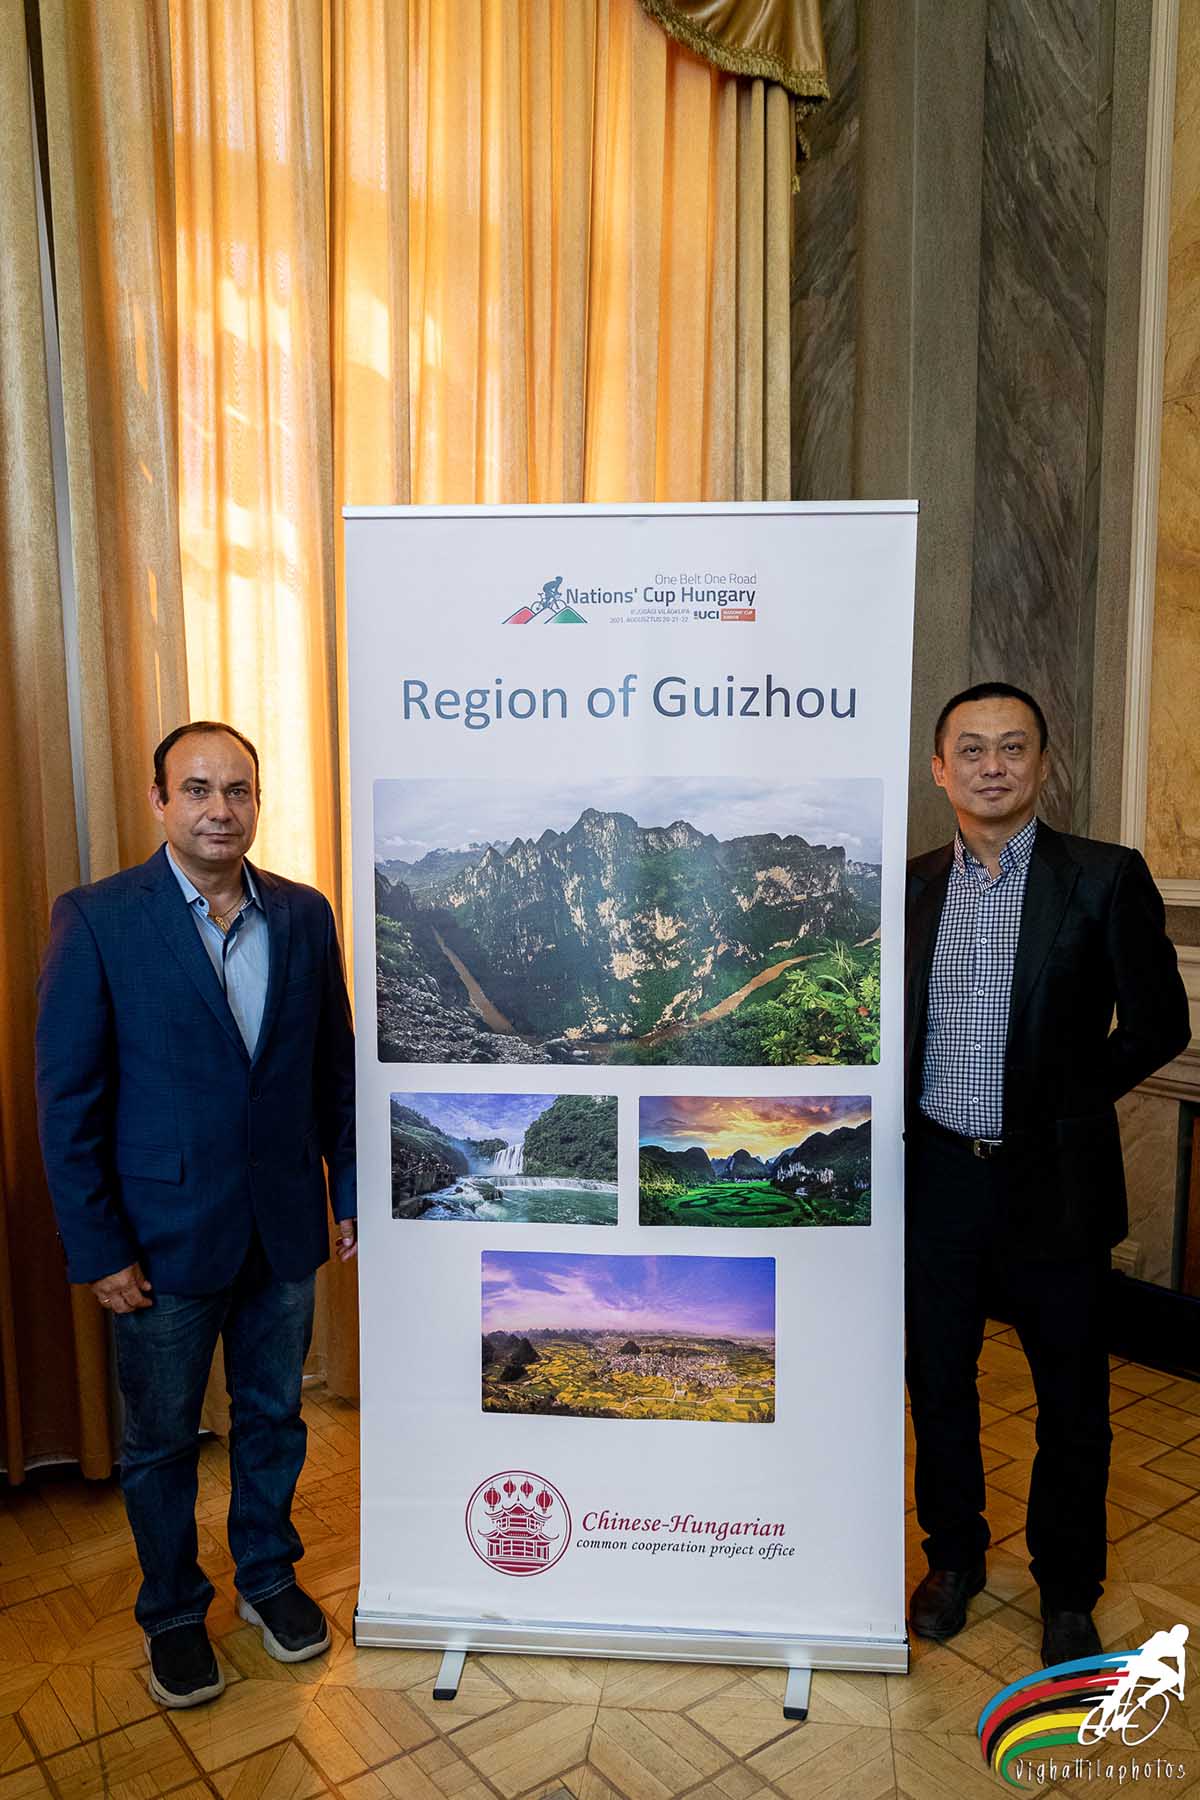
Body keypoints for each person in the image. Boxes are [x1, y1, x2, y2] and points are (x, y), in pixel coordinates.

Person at [36, 722, 357, 1709]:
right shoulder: (98, 919)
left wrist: (346, 1193)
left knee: (273, 1418)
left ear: (258, 801)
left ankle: (266, 1576)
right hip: (159, 1242)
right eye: (199, 790)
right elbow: (68, 1101)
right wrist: (98, 1248)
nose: (222, 810)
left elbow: (333, 1070)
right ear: (160, 801)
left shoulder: (303, 914)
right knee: (162, 1442)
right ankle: (174, 1613)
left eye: (239, 790)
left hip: (283, 1227)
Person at [904, 682, 1190, 1669]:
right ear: (940, 769)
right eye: (971, 749)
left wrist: (1071, 1097)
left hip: (1053, 1183)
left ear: (1041, 763)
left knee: (1071, 1400)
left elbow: (1161, 1024)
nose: (992, 766)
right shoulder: (911, 888)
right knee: (940, 1383)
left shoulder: (1102, 878)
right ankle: (954, 1558)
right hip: (936, 1179)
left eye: (1012, 747)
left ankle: (1068, 1588)